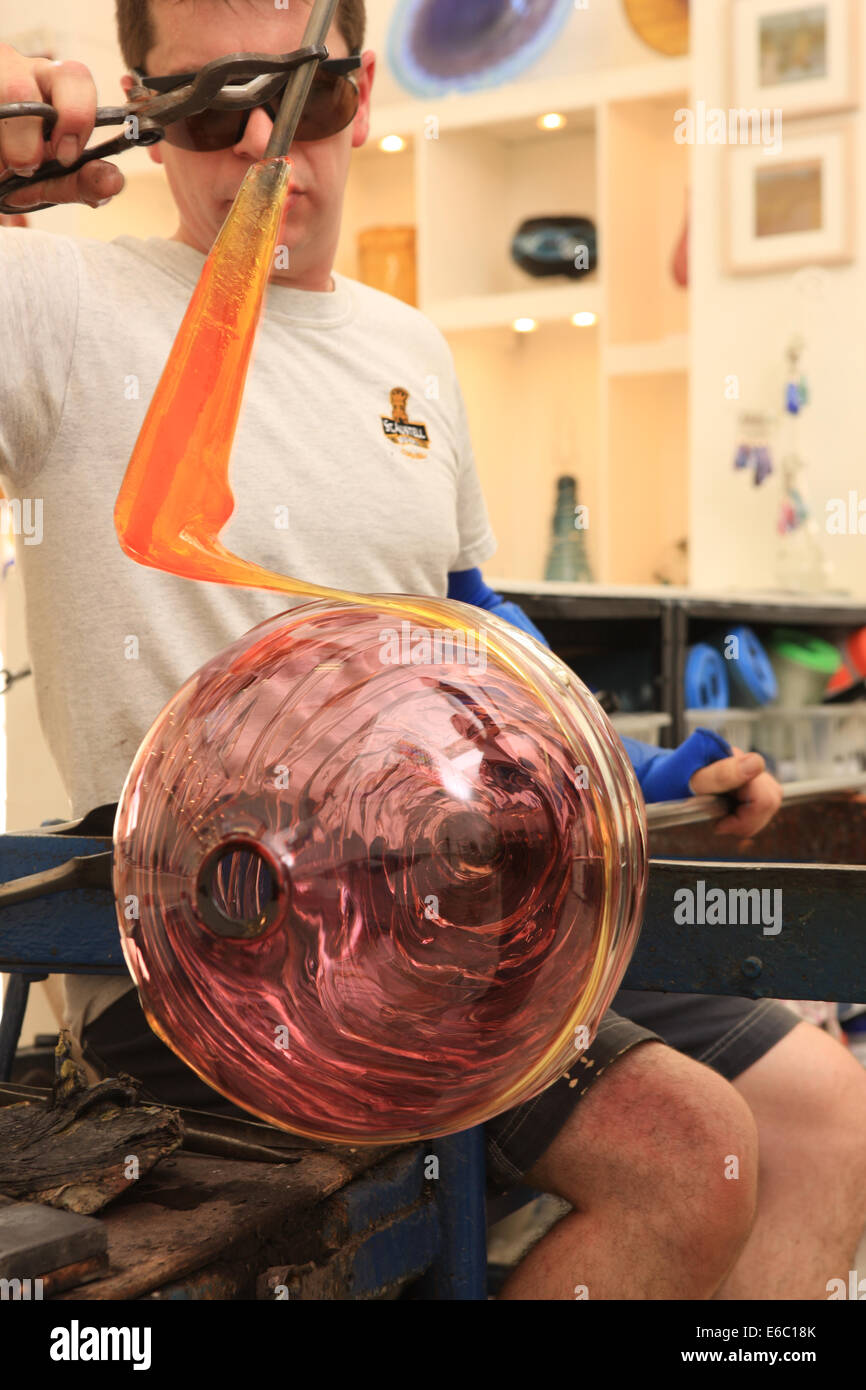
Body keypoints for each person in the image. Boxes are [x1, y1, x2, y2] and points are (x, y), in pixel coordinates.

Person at [1, 0, 865, 1301]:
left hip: (470, 898)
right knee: (691, 1157)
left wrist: (626, 768)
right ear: (137, 107)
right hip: (234, 942)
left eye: (303, 100)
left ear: (365, 96)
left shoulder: (410, 350)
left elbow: (474, 633)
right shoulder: (57, 309)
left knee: (823, 1117)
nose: (256, 142)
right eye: (203, 103)